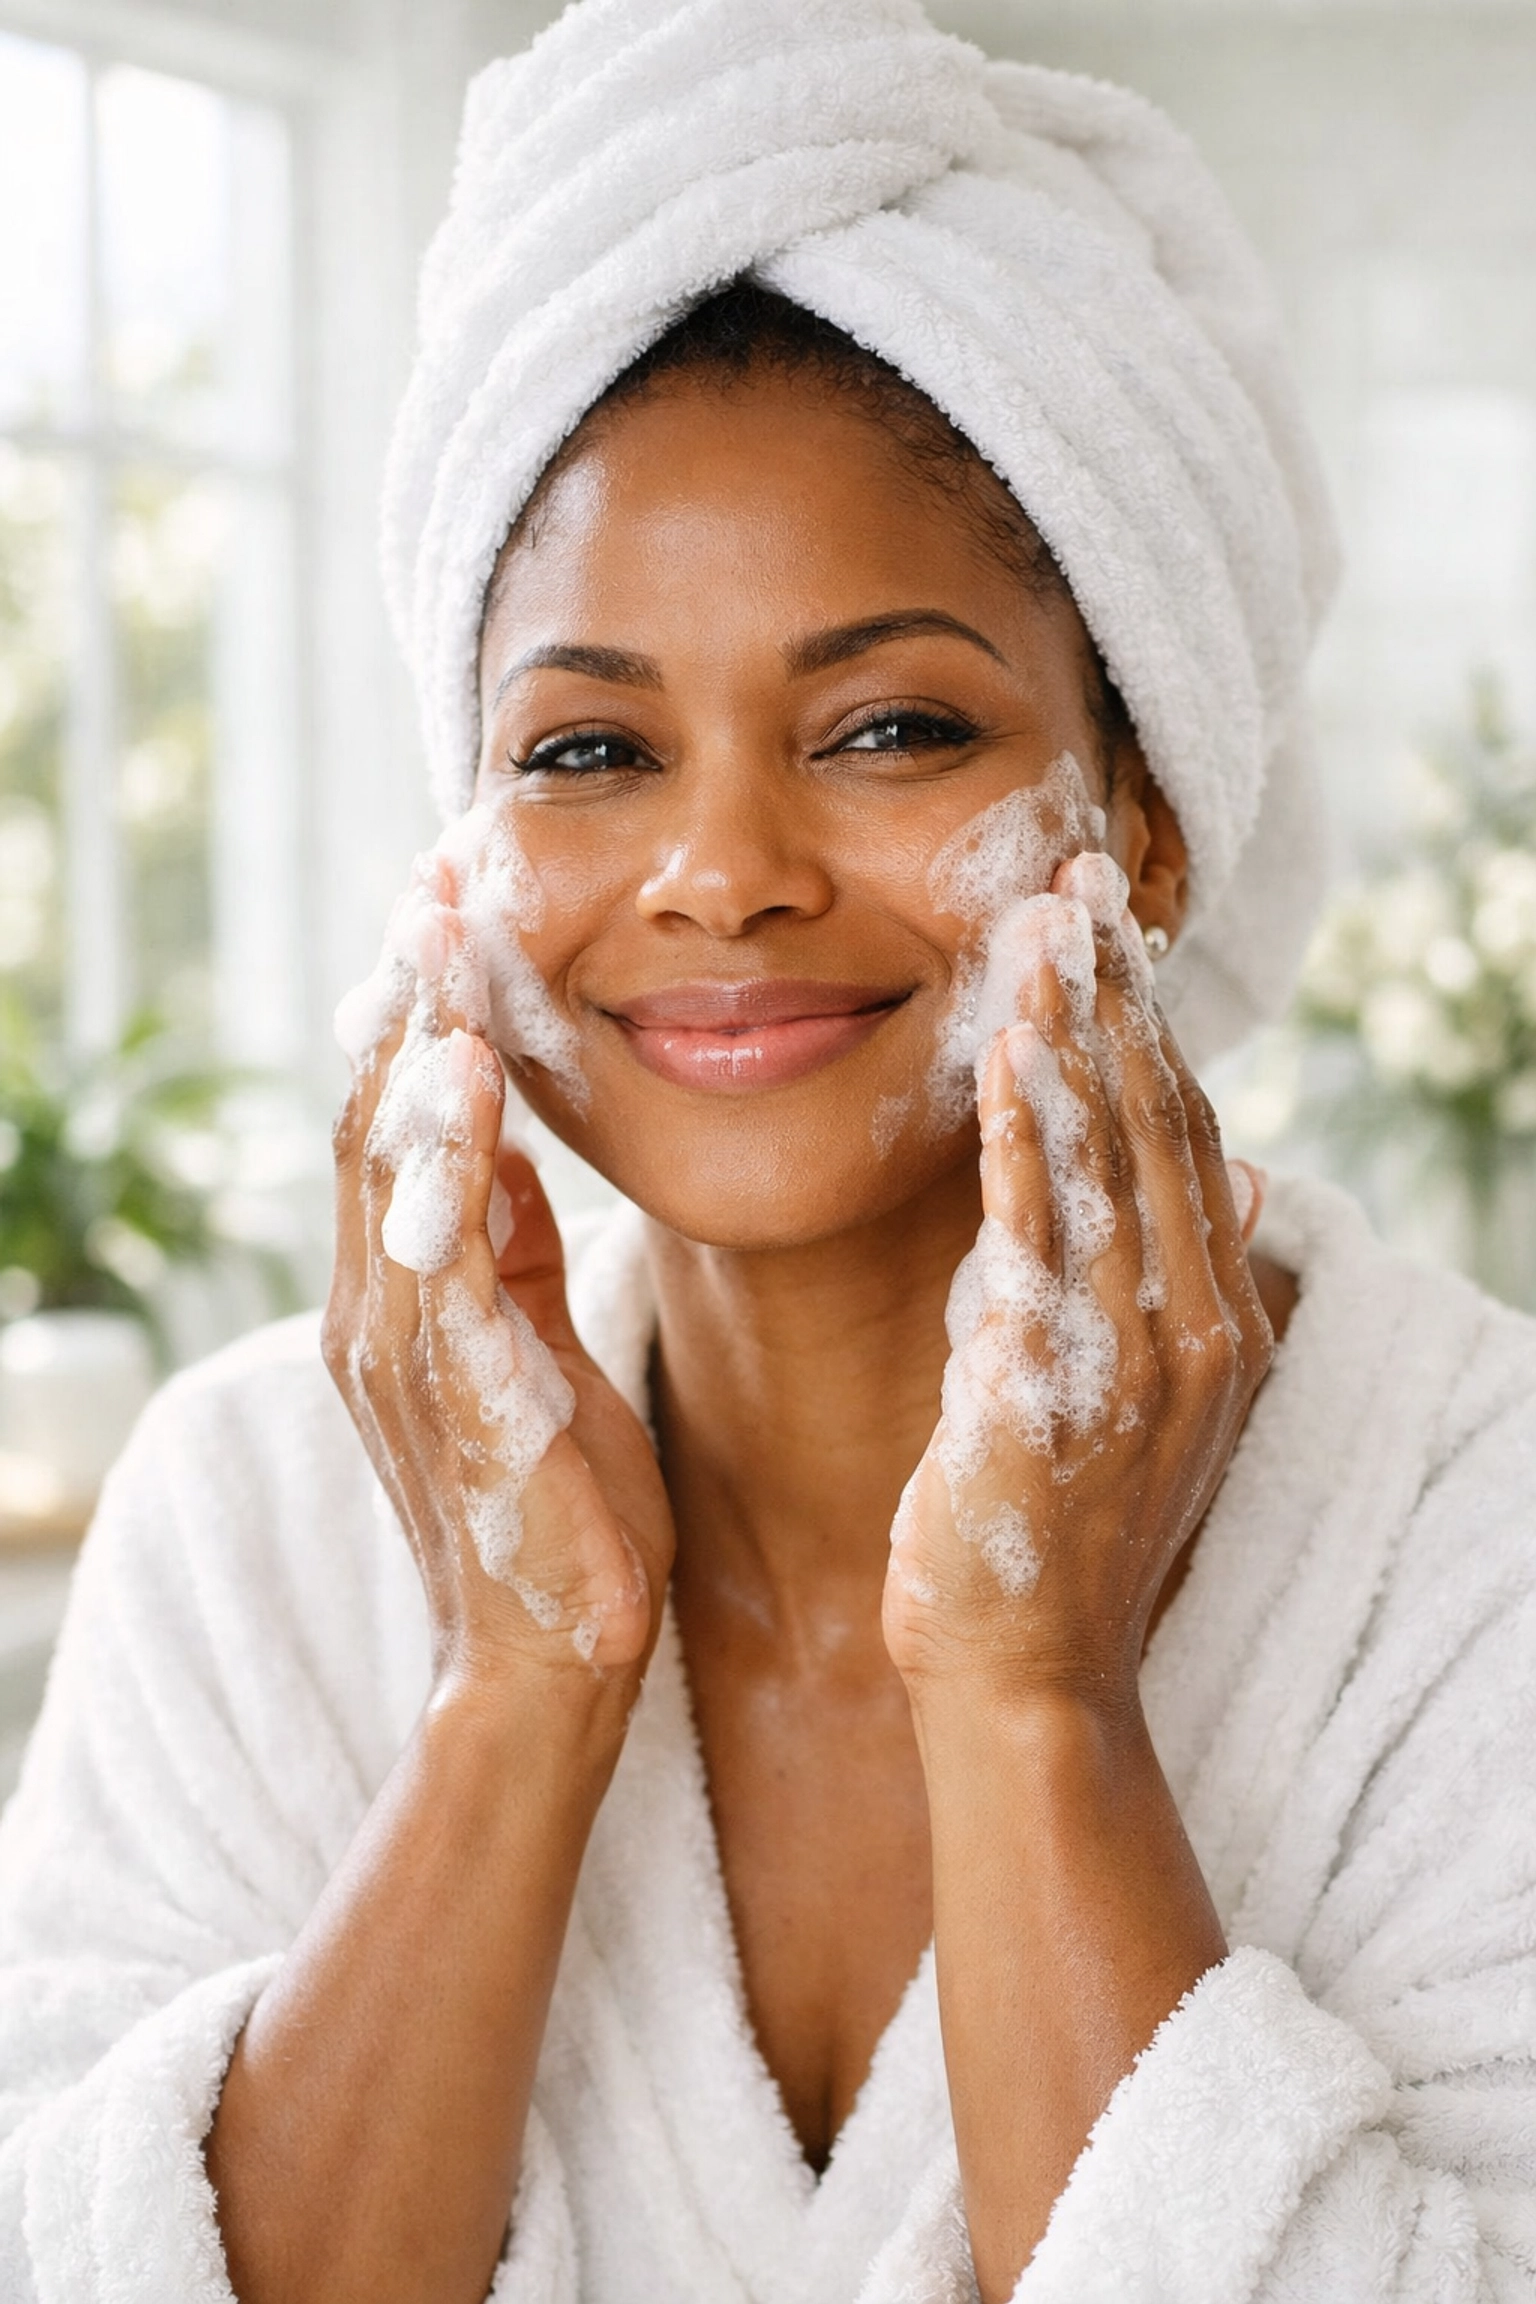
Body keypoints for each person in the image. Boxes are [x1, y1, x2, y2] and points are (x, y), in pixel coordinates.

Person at [2, 5, 1534, 2301]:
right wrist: (515, 1692)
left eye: (894, 724)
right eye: (588, 747)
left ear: (1145, 818)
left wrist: (1036, 1700)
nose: (718, 869)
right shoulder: (250, 1524)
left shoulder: (1479, 1543)